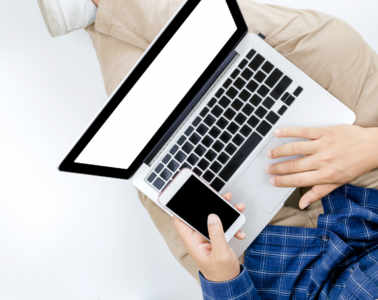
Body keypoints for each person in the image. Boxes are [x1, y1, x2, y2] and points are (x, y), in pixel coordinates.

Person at [38, 0, 378, 298]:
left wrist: (223, 279)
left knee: (155, 145)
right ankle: (104, 7)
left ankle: (102, 11)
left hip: (276, 273)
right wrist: (371, 146)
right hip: (371, 187)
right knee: (331, 46)